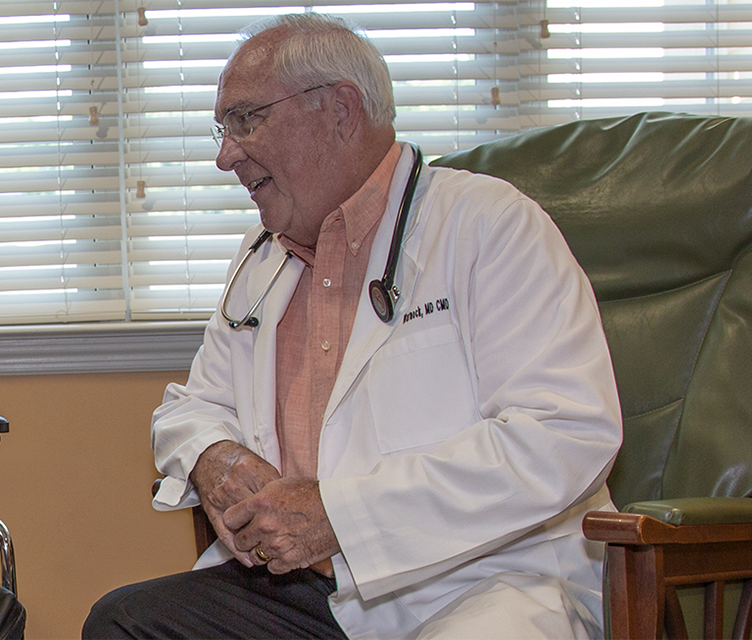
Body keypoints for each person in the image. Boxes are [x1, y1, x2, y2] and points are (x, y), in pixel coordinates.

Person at [84, 14, 622, 640]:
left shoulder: (489, 225)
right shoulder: (262, 259)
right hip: (309, 591)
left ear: (339, 110)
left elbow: (565, 431)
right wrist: (212, 453)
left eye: (246, 120)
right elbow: (192, 406)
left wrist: (341, 514)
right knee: (123, 624)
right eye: (222, 129)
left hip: (482, 581)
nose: (225, 155)